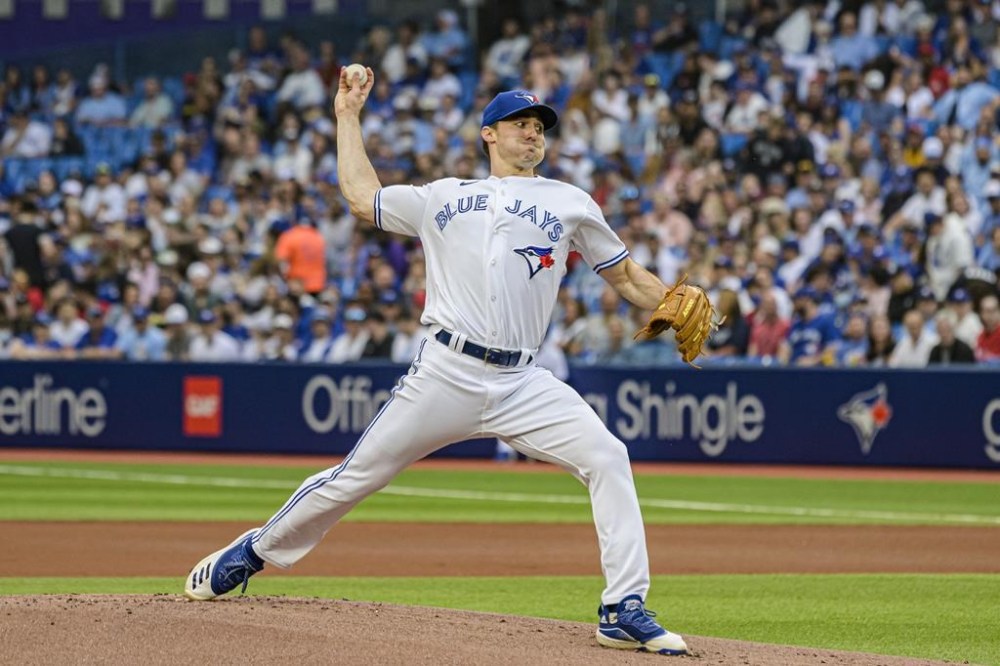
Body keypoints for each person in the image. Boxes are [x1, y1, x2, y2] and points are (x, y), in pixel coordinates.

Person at [183, 68, 691, 657]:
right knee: (353, 478)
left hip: (522, 380)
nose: (532, 134)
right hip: (445, 372)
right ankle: (251, 552)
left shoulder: (570, 201)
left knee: (608, 456)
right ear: (488, 135)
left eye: (538, 127)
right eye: (519, 124)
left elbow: (626, 275)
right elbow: (360, 196)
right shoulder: (444, 196)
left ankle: (622, 607)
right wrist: (347, 116)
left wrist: (677, 302)